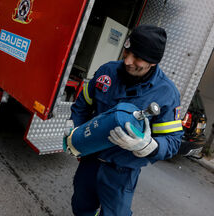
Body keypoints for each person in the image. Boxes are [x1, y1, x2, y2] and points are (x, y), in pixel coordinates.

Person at [67, 24, 184, 216]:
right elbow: (83, 104)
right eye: (127, 51)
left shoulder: (166, 94)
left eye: (137, 57)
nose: (128, 61)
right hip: (90, 160)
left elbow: (172, 141)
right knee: (81, 207)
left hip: (121, 172)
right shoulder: (107, 72)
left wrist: (148, 146)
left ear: (153, 62)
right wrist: (76, 130)